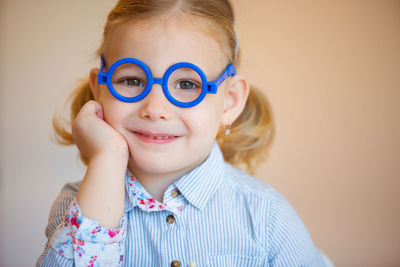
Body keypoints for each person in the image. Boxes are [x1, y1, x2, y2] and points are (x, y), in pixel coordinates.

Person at [37, 0, 326, 266]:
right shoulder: (77, 206)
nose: (155, 108)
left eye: (187, 84)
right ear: (99, 89)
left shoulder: (265, 216)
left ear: (230, 101)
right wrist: (107, 158)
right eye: (132, 80)